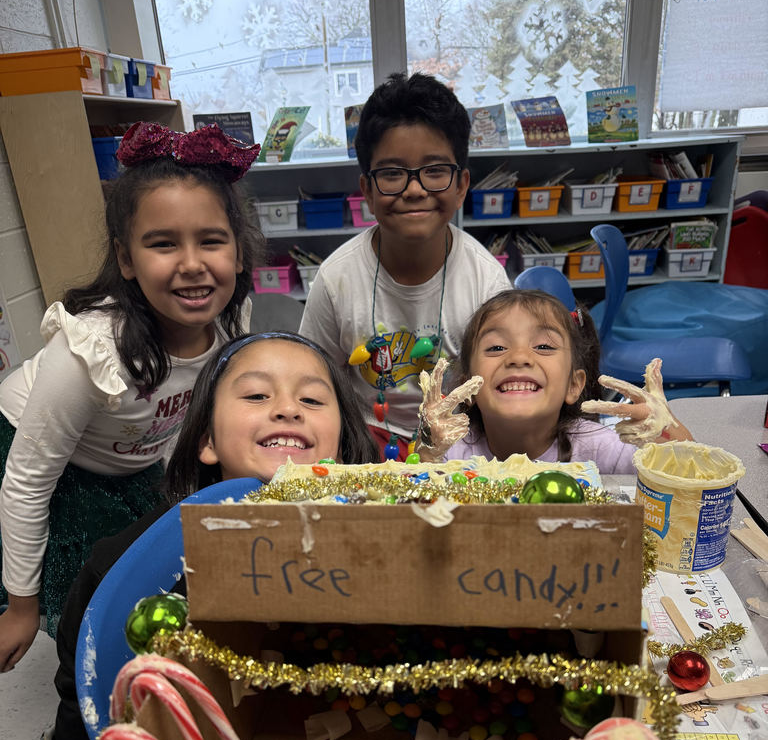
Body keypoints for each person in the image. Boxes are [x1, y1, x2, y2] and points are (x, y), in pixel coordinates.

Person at [35, 331, 379, 740]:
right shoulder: (140, 564)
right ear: (207, 442)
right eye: (257, 394)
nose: (288, 408)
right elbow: (90, 647)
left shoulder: (371, 540)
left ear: (339, 447)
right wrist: (80, 737)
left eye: (313, 400)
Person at [0, 121, 263, 674]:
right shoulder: (93, 351)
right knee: (91, 594)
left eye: (211, 240)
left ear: (239, 253)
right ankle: (78, 720)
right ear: (126, 260)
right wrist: (20, 608)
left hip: (124, 456)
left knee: (159, 564)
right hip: (33, 452)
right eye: (163, 243)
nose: (192, 263)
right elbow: (27, 480)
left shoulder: (230, 319)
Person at [299, 71, 510, 460]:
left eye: (434, 171)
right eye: (393, 174)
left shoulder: (486, 280)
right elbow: (312, 386)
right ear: (367, 191)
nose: (414, 190)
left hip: (459, 445)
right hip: (364, 444)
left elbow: (501, 387)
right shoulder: (336, 278)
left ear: (462, 185)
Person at [440, 288, 692, 471]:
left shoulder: (601, 448)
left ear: (573, 385)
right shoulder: (449, 453)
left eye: (543, 346)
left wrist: (669, 432)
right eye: (496, 348)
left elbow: (687, 477)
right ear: (467, 389)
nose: (518, 357)